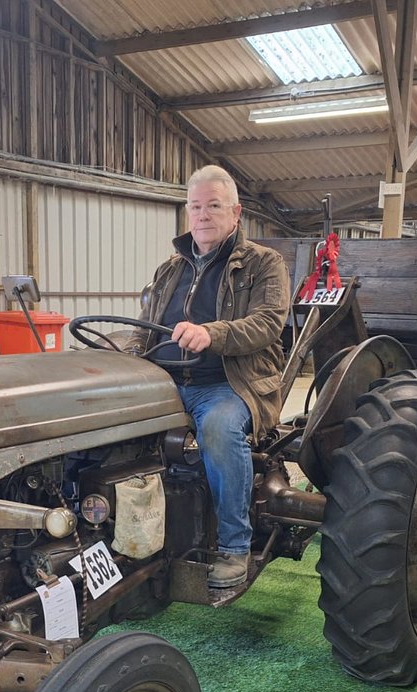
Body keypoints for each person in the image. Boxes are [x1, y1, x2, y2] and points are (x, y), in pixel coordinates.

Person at [124, 165, 290, 588]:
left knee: (217, 429)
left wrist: (211, 334)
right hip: (167, 381)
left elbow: (268, 323)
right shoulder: (170, 269)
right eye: (195, 206)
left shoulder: (263, 264)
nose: (203, 215)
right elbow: (145, 331)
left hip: (230, 384)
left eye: (213, 206)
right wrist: (121, 360)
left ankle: (235, 547)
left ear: (235, 213)